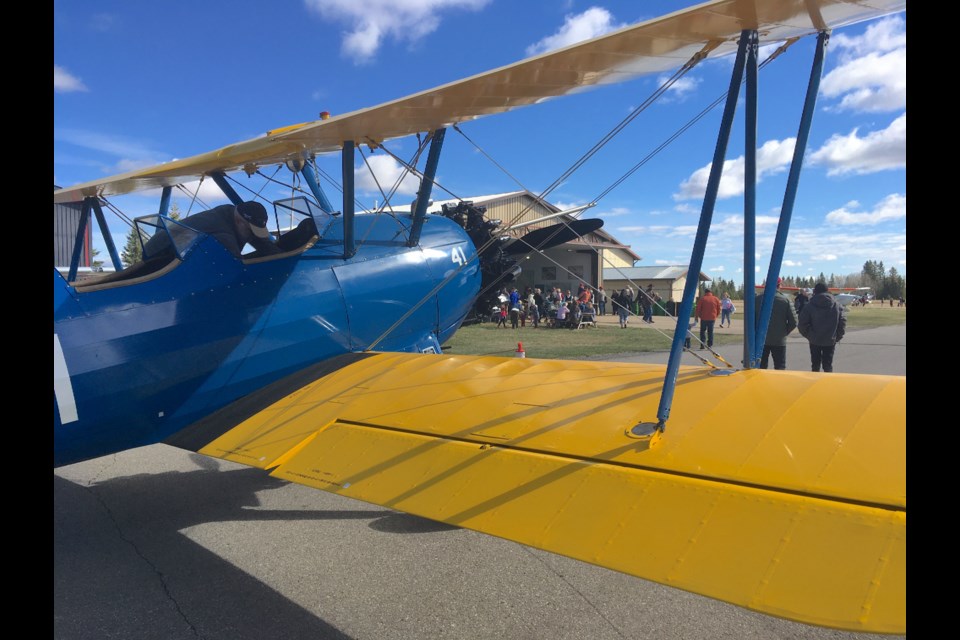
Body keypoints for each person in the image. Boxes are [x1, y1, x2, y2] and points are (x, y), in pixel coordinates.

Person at [143, 201, 279, 260]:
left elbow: (260, 241)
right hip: (160, 254)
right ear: (239, 221)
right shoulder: (223, 235)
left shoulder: (230, 213)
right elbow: (236, 269)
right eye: (251, 231)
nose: (252, 236)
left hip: (158, 247)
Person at [798, 282, 846, 372]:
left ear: (815, 292)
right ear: (827, 291)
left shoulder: (809, 306)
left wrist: (809, 336)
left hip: (814, 340)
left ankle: (815, 384)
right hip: (830, 340)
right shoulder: (837, 305)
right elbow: (842, 322)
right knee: (828, 366)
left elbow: (802, 324)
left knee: (815, 366)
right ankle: (827, 385)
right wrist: (836, 337)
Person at [754, 278, 797, 370]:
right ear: (779, 285)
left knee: (760, 367)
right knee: (780, 367)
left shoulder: (757, 299)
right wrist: (784, 332)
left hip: (760, 340)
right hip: (779, 340)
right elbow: (794, 321)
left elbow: (751, 320)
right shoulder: (785, 300)